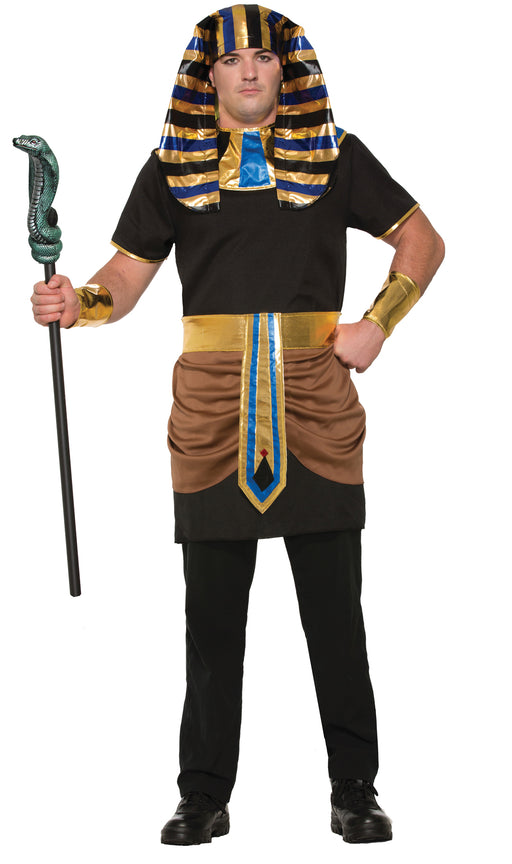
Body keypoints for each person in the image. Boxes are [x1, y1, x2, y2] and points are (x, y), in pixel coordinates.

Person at [31, 4, 444, 847]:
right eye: (232, 61)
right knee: (212, 624)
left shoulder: (335, 155)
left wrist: (379, 323)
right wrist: (80, 303)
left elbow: (423, 241)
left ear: (287, 70)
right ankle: (204, 796)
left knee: (336, 618)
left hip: (314, 407)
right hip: (213, 413)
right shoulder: (173, 167)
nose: (249, 70)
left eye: (263, 57)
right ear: (207, 74)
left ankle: (355, 789)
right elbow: (126, 276)